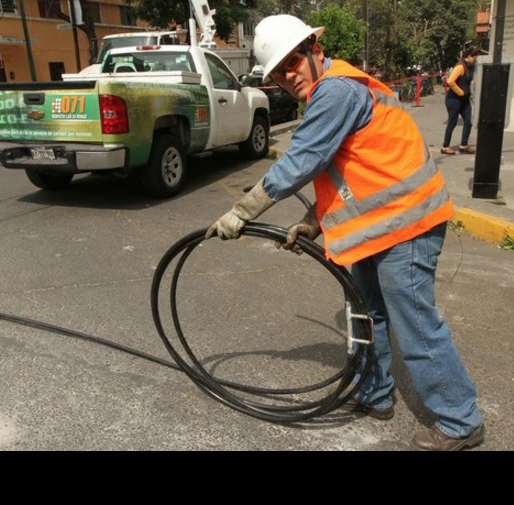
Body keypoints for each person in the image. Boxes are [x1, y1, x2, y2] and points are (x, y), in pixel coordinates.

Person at [205, 15, 485, 451]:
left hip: (408, 224)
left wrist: (243, 212)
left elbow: (303, 160)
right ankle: (375, 394)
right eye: (278, 72)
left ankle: (460, 419)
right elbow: (349, 170)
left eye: (293, 62)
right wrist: (315, 223)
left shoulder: (335, 90)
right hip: (381, 226)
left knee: (415, 324)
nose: (287, 77)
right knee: (367, 314)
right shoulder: (331, 89)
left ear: (315, 49)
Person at [441, 47, 481, 155]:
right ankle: (445, 147)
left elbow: (472, 80)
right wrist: (460, 92)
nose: (476, 59)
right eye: (475, 57)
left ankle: (464, 145)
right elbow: (450, 81)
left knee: (468, 121)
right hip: (454, 100)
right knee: (452, 122)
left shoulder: (471, 67)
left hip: (465, 100)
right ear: (469, 56)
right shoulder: (460, 66)